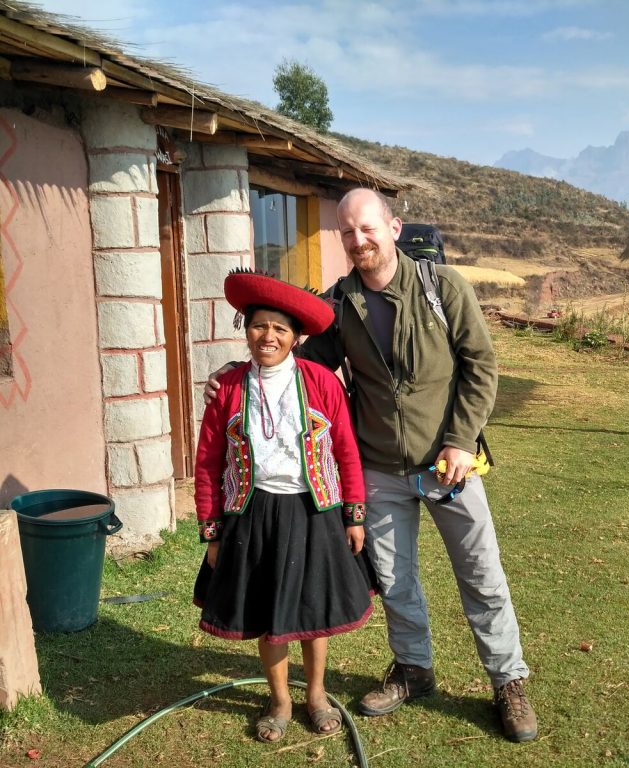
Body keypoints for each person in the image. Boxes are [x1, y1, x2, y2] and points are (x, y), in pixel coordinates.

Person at [206, 189, 537, 743]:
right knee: (395, 579)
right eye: (347, 233)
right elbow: (298, 362)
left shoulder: (443, 287)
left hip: (449, 466)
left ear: (393, 226)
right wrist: (241, 371)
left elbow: (481, 368)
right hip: (379, 468)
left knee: (482, 576)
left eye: (367, 228)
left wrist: (458, 441)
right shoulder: (340, 304)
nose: (358, 240)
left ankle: (508, 681)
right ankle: (413, 669)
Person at [193, 269, 375, 744]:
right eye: (258, 325)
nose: (267, 336)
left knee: (315, 613)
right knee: (268, 615)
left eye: (279, 328)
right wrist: (211, 531)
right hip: (252, 515)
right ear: (245, 329)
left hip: (313, 512)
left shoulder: (320, 382)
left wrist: (354, 514)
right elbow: (209, 462)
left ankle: (316, 694)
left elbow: (346, 452)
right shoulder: (228, 388)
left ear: (295, 337)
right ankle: (280, 701)